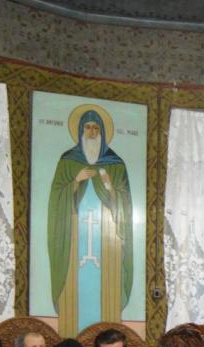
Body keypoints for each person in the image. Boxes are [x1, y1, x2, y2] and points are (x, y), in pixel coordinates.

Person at [47, 109, 134, 335]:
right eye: (88, 128)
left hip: (109, 248)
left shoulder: (116, 164)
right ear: (80, 130)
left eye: (96, 128)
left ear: (103, 132)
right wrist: (76, 180)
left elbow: (124, 201)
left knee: (107, 292)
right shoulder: (68, 161)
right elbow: (57, 197)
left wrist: (109, 187)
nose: (92, 132)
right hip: (72, 242)